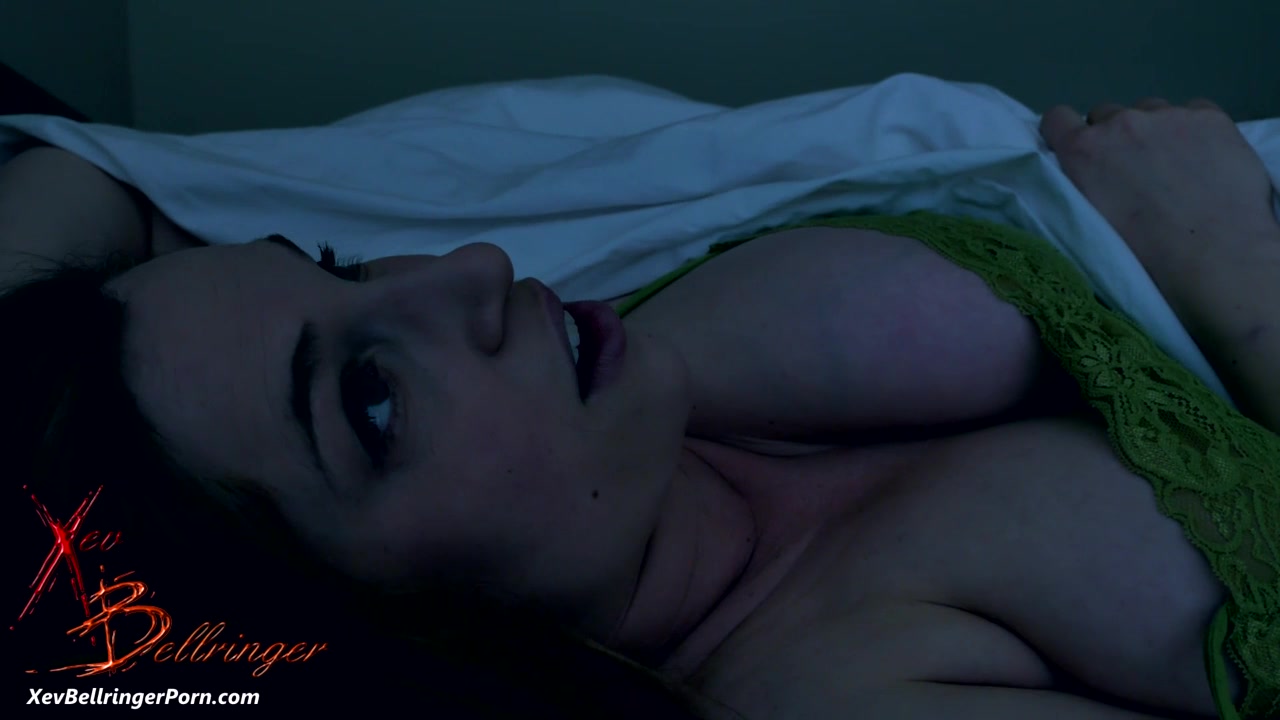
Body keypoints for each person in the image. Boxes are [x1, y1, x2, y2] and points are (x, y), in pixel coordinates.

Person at [2, 94, 1277, 720]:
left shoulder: (621, 368)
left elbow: (83, 176)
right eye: (371, 400)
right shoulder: (834, 685)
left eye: (339, 269)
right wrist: (1239, 286)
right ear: (377, 634)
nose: (472, 270)